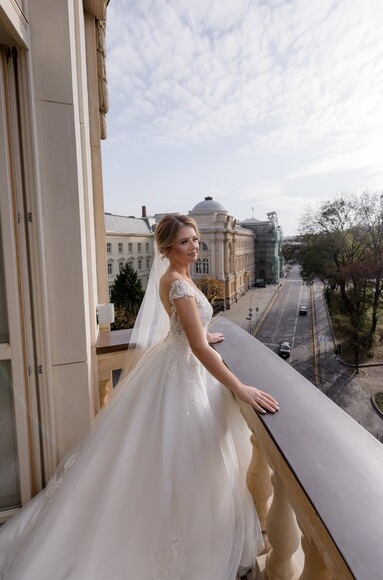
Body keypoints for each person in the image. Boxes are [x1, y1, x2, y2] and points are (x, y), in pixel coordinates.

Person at [0, 214, 278, 580]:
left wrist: (202, 333)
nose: (194, 246)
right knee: (183, 464)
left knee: (182, 463)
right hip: (183, 375)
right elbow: (195, 346)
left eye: (195, 239)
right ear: (166, 248)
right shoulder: (176, 283)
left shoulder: (180, 279)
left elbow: (190, 331)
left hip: (175, 366)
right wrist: (239, 386)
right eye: (184, 242)